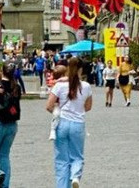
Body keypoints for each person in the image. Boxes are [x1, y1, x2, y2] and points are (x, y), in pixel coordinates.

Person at [47, 56, 92, 188]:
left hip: (62, 123)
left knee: (61, 160)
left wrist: (57, 111)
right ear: (81, 69)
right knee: (77, 156)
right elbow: (88, 107)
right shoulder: (86, 86)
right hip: (78, 124)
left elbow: (49, 106)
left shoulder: (59, 86)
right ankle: (75, 177)